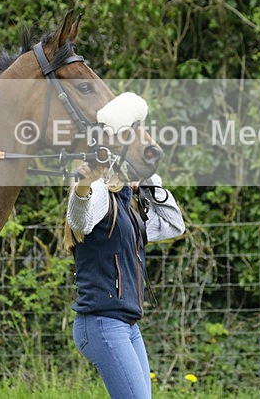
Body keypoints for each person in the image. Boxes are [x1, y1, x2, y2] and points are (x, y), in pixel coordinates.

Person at [66, 161, 185, 399]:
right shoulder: (100, 214)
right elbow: (81, 220)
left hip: (128, 326)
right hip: (103, 324)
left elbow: (174, 225)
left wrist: (148, 181)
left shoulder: (127, 217)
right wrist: (85, 186)